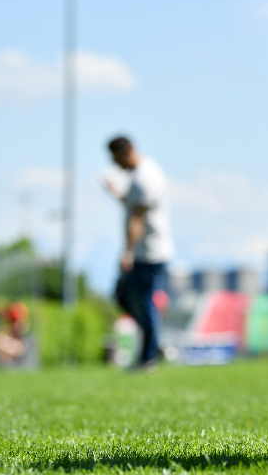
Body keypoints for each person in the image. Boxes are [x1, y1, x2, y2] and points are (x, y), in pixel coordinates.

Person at [103, 135, 174, 370]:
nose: (115, 164)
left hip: (150, 252)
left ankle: (149, 355)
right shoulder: (139, 175)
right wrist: (117, 194)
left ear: (127, 152)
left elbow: (137, 218)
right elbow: (133, 205)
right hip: (144, 252)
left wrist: (128, 252)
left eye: (115, 158)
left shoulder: (145, 177)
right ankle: (151, 343)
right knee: (124, 297)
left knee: (143, 303)